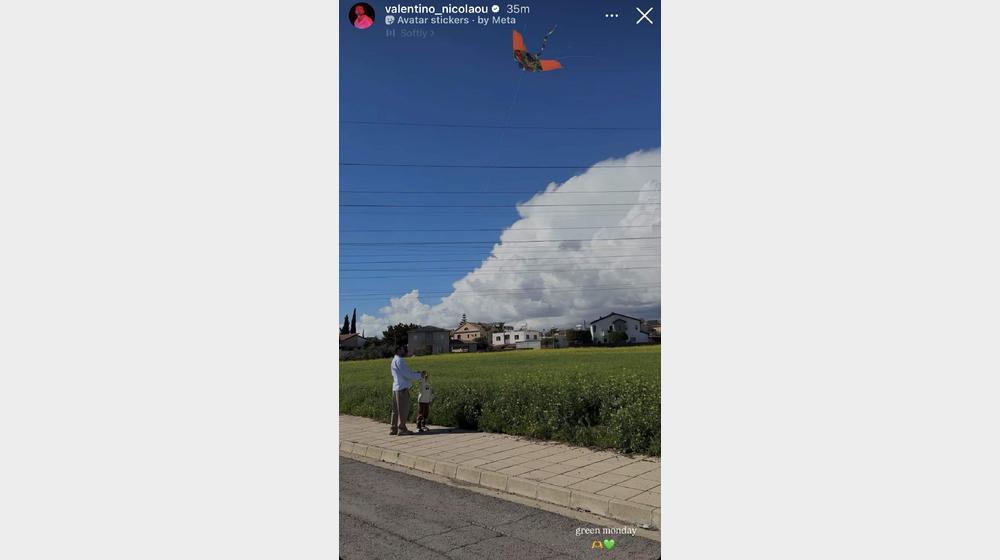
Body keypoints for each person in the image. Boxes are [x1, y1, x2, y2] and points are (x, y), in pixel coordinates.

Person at [389, 345, 424, 435]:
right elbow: (407, 374)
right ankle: (402, 429)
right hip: (402, 388)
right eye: (403, 349)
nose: (405, 350)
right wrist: (419, 375)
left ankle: (393, 428)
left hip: (396, 388)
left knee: (395, 410)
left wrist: (415, 373)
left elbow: (405, 373)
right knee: (403, 410)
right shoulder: (400, 361)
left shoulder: (394, 360)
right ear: (398, 350)